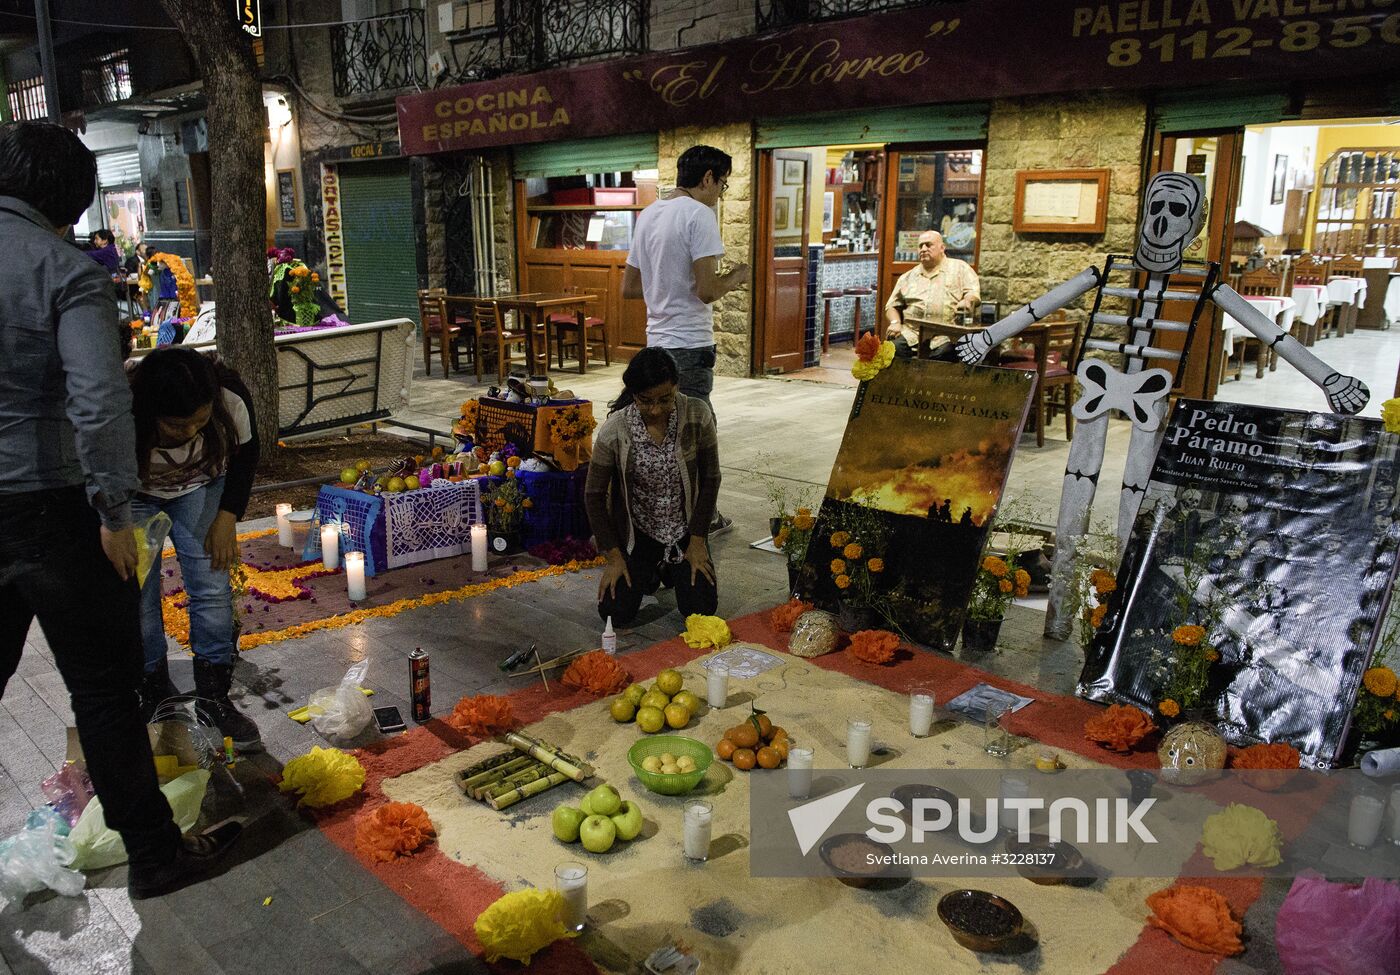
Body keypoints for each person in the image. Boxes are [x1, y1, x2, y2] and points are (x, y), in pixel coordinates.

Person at [0, 121, 239, 899]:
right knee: (101, 690)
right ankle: (155, 855)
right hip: (48, 505)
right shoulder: (62, 269)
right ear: (71, 199)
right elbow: (100, 403)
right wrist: (111, 512)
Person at [128, 347, 261, 750]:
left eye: (200, 422)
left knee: (211, 589)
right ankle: (152, 691)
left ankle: (213, 699)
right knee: (138, 597)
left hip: (202, 490)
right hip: (133, 496)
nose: (190, 433)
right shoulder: (121, 407)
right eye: (176, 426)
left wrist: (227, 516)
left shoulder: (229, 394)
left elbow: (247, 452)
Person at [623, 145, 748, 534]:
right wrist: (739, 275)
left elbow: (629, 287)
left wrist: (666, 285)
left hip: (656, 342)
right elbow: (708, 290)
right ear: (708, 177)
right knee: (697, 434)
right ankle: (701, 519)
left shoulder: (649, 215)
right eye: (722, 184)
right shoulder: (699, 214)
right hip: (690, 345)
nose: (720, 193)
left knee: (664, 432)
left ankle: (663, 515)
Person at [585, 348, 720, 627]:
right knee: (615, 613)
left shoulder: (697, 414)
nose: (656, 409)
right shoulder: (615, 429)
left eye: (665, 399)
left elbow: (710, 478)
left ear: (676, 387)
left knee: (701, 609)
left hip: (684, 531)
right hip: (640, 533)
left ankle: (671, 568)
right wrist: (613, 556)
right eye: (646, 401)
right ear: (633, 394)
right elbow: (593, 495)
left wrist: (697, 541)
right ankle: (652, 569)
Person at [883, 230, 980, 359]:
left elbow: (972, 292)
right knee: (890, 349)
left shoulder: (960, 269)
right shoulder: (908, 277)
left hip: (946, 336)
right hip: (912, 334)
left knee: (945, 354)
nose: (923, 249)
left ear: (942, 248)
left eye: (928, 245)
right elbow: (892, 305)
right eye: (920, 246)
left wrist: (967, 301)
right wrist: (895, 322)